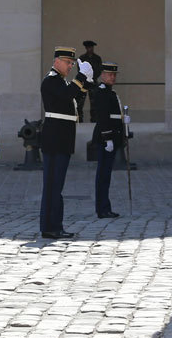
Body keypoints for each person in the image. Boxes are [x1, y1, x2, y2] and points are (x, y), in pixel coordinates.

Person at [39, 46, 92, 238]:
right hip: (55, 140)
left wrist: (86, 81)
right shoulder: (51, 81)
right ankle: (50, 227)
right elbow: (66, 95)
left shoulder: (62, 82)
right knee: (53, 185)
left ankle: (54, 225)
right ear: (56, 61)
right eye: (68, 62)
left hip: (61, 139)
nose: (70, 66)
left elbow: (76, 97)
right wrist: (81, 78)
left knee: (57, 185)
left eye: (72, 63)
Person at [92, 62, 123, 219]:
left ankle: (105, 207)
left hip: (112, 136)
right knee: (103, 175)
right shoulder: (101, 92)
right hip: (106, 139)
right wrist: (107, 138)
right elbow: (103, 117)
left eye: (114, 75)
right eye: (110, 74)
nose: (113, 77)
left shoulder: (110, 92)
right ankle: (102, 208)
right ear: (102, 75)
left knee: (106, 175)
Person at [76, 40, 103, 122]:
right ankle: (79, 119)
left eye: (90, 47)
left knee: (95, 101)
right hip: (83, 82)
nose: (89, 49)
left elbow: (99, 70)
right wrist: (86, 78)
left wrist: (92, 78)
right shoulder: (82, 58)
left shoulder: (97, 58)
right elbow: (80, 70)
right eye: (88, 47)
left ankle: (94, 119)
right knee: (80, 101)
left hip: (93, 81)